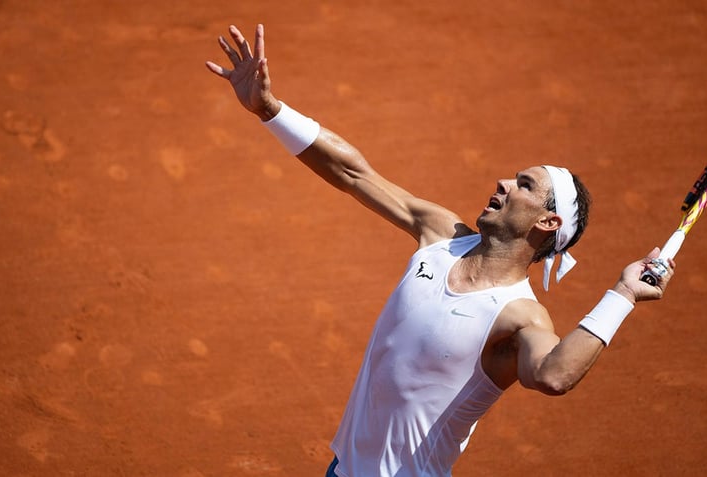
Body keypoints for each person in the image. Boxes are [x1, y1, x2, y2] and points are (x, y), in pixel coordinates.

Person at [206, 24, 675, 477]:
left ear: (547, 222)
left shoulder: (519, 319)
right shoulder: (443, 235)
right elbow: (354, 174)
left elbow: (553, 375)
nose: (504, 182)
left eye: (524, 185)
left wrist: (622, 295)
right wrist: (270, 109)